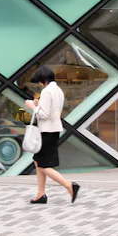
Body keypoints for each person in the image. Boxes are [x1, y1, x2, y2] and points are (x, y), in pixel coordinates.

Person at [25, 65, 80, 205]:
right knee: (38, 161)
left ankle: (69, 185)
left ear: (43, 80)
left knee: (43, 164)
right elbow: (51, 110)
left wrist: (33, 106)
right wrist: (38, 105)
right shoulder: (58, 90)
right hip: (54, 129)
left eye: (39, 81)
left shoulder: (47, 91)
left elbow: (44, 115)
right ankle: (41, 194)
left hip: (46, 131)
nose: (39, 83)